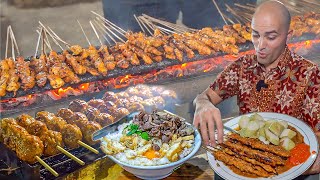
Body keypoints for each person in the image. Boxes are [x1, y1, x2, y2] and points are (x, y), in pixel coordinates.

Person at [193, 0, 320, 175]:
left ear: (288, 36)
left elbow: (316, 151)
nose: (260, 45)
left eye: (271, 37)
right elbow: (203, 97)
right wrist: (202, 104)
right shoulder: (242, 66)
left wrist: (278, 168)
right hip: (241, 163)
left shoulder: (309, 74)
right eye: (255, 35)